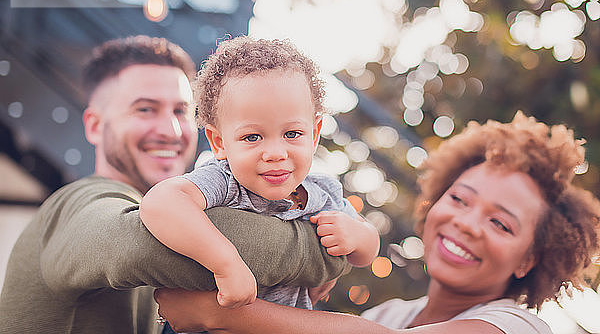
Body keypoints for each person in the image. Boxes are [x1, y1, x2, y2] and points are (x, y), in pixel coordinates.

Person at [0, 36, 349, 334]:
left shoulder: (198, 208)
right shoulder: (81, 201)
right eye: (145, 110)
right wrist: (329, 250)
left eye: (181, 111)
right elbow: (141, 243)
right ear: (94, 126)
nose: (170, 130)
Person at [154, 111, 600, 334]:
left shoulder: (517, 325)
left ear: (529, 260)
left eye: (501, 224)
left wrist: (219, 311)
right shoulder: (391, 315)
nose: (467, 224)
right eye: (460, 199)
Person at [140, 36, 380, 310]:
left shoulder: (322, 192)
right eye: (253, 137)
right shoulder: (225, 181)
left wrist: (357, 236)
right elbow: (160, 203)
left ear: (314, 135)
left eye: (292, 133)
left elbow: (367, 250)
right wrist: (225, 263)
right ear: (220, 143)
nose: (276, 153)